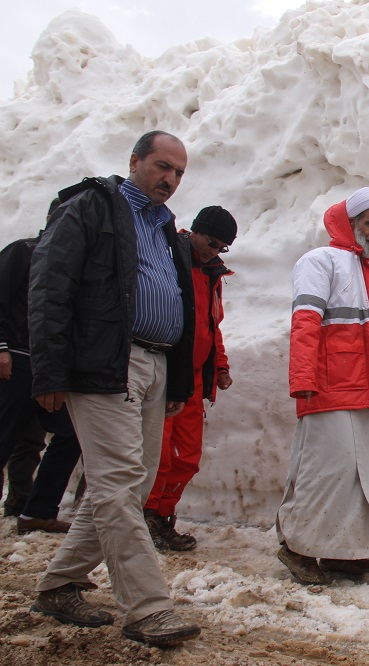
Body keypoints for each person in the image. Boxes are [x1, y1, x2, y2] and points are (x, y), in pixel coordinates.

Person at [28, 130, 201, 646]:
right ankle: (148, 608)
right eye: (162, 166)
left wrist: (178, 375)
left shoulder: (166, 227)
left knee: (131, 481)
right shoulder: (92, 208)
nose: (169, 179)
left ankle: (59, 585)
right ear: (135, 161)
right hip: (106, 359)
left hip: (154, 362)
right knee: (119, 478)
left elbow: (180, 303)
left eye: (178, 173)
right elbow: (50, 284)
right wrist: (50, 370)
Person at [276, 186, 369, 585]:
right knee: (325, 473)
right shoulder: (319, 262)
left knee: (362, 479)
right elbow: (305, 324)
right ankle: (296, 549)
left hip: (367, 392)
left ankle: (346, 553)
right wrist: (302, 378)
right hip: (328, 390)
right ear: (349, 222)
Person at [144, 205, 236, 551]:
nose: (215, 251)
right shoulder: (169, 257)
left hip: (195, 377)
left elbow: (212, 326)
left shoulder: (212, 272)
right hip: (166, 370)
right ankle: (146, 514)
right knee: (159, 452)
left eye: (222, 247)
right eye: (212, 242)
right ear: (194, 230)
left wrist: (221, 366)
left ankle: (162, 515)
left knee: (187, 456)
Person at [0, 197, 83, 533]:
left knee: (70, 433)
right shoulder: (23, 250)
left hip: (48, 368)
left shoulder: (73, 264)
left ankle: (38, 511)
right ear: (52, 218)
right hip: (14, 361)